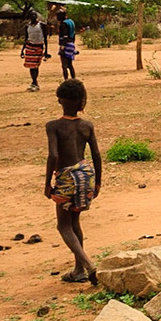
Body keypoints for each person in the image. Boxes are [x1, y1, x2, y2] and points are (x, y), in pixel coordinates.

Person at [44, 78, 102, 284]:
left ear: (59, 100)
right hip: (86, 174)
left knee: (63, 226)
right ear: (82, 102)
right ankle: (78, 270)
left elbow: (53, 155)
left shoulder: (53, 126)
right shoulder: (87, 126)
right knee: (75, 220)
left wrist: (47, 184)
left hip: (67, 178)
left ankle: (88, 264)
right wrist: (98, 182)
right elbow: (96, 154)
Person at [22, 8, 47, 91]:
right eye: (31, 15)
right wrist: (22, 50)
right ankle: (34, 82)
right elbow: (26, 38)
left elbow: (45, 38)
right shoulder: (27, 26)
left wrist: (46, 51)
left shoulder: (42, 25)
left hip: (38, 47)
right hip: (29, 47)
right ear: (29, 17)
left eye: (34, 15)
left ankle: (34, 82)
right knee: (30, 66)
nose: (33, 16)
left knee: (36, 66)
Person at [54, 4, 78, 81]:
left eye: (58, 15)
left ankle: (66, 80)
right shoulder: (70, 22)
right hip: (71, 44)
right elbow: (73, 34)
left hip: (65, 44)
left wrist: (62, 46)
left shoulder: (63, 24)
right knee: (70, 65)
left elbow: (64, 36)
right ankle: (74, 79)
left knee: (64, 65)